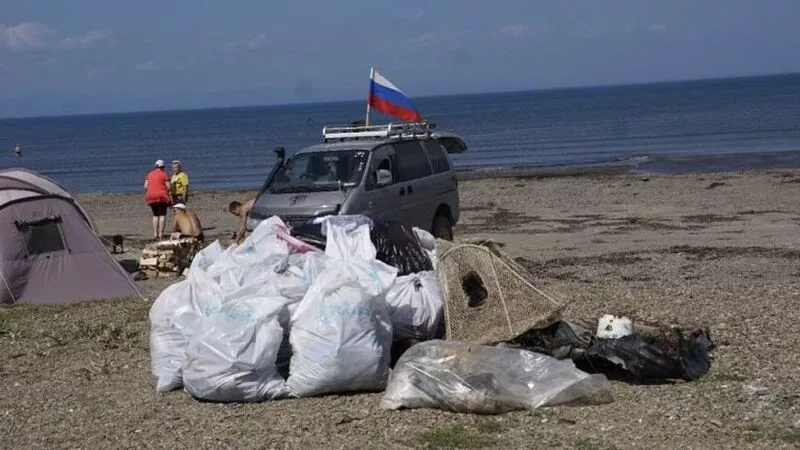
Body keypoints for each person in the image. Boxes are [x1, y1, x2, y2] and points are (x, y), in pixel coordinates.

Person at [144, 159, 171, 240]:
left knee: (155, 215)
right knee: (162, 214)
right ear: (163, 167)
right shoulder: (164, 174)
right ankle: (161, 234)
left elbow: (145, 186)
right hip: (162, 196)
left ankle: (155, 234)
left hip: (150, 196)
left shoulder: (149, 174)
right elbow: (168, 186)